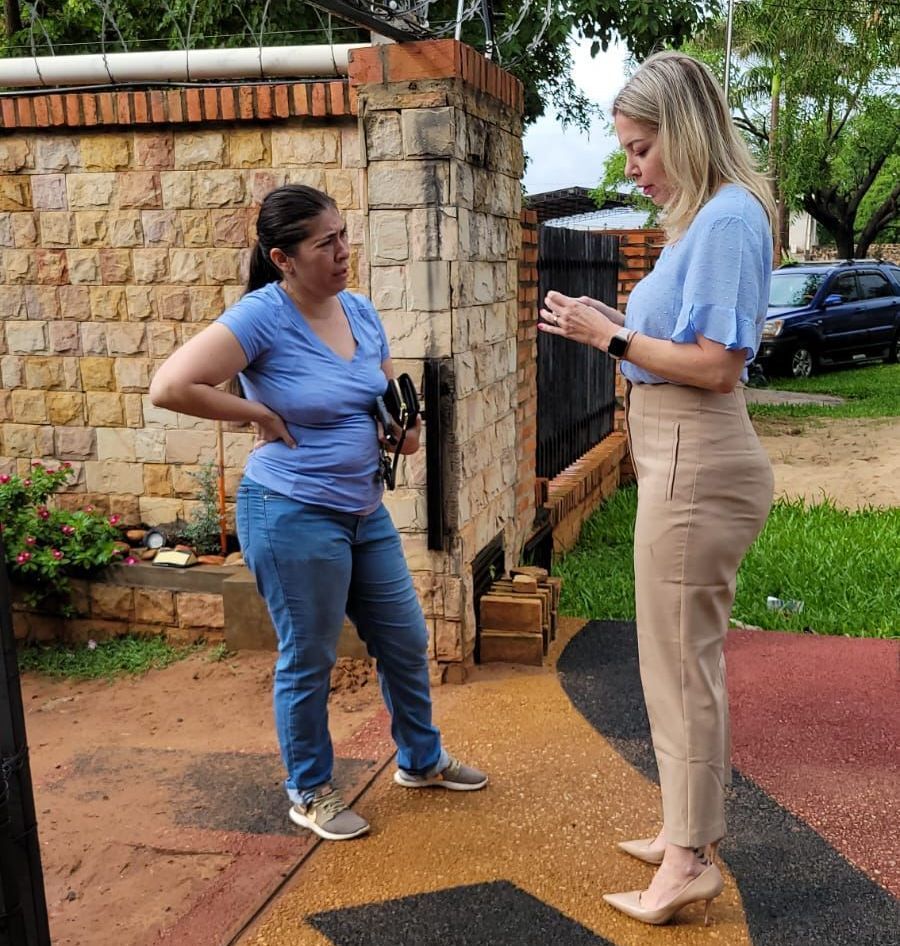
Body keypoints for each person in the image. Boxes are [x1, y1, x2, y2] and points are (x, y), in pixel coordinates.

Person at [149, 184, 486, 842]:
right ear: (283, 258)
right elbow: (171, 385)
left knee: (405, 641)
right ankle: (310, 791)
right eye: (325, 243)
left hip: (364, 511)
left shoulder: (357, 311)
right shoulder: (261, 317)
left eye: (343, 235)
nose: (342, 252)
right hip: (291, 511)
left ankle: (421, 761)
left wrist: (402, 432)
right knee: (309, 658)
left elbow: (388, 401)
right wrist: (258, 412)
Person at [539, 51, 775, 925]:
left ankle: (688, 860)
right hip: (681, 456)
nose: (631, 168)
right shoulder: (705, 218)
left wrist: (609, 337)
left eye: (640, 149)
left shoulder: (726, 222)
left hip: (698, 458)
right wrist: (608, 332)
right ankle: (686, 831)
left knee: (682, 669)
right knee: (674, 662)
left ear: (682, 130)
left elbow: (717, 365)